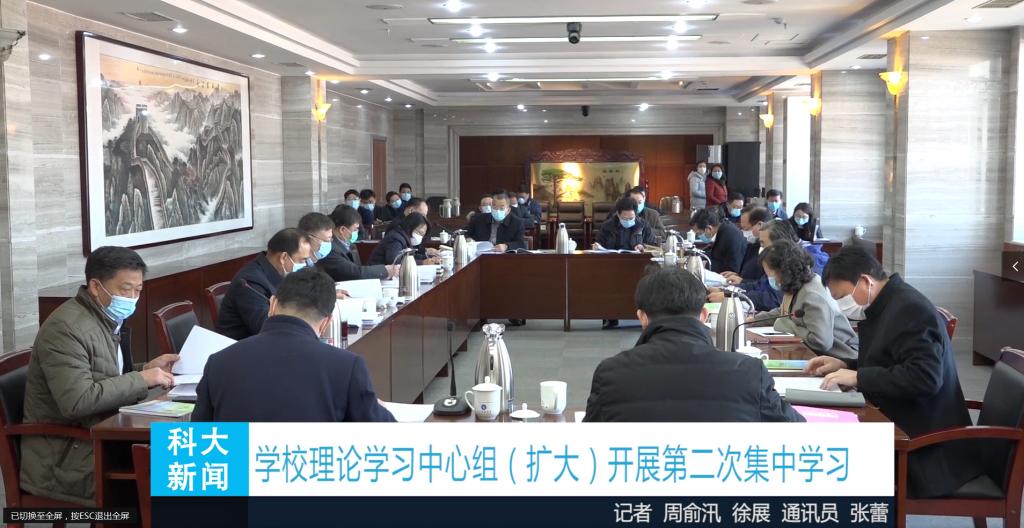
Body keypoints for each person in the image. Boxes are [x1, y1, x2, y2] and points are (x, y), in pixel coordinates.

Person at [809, 246, 979, 498]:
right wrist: (845, 365)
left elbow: (924, 378)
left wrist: (858, 377)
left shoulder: (910, 309)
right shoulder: (886, 304)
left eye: (842, 297)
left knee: (827, 462)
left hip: (924, 445)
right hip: (899, 422)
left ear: (865, 281)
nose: (842, 306)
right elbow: (889, 361)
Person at [21, 247, 178, 505]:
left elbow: (105, 376)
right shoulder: (66, 329)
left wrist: (146, 369)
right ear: (96, 286)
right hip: (69, 456)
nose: (133, 298)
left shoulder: (104, 319)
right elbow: (78, 400)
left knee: (211, 461)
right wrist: (142, 379)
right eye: (126, 289)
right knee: (192, 472)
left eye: (138, 290)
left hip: (104, 435)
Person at [583, 266, 804, 423]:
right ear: (704, 315)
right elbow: (797, 430)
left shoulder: (611, 373)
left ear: (642, 317)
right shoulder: (750, 372)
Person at [193, 269, 396, 423]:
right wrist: (374, 406)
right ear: (327, 322)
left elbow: (197, 442)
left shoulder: (219, 362)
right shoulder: (347, 366)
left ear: (273, 304)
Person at [752, 240, 858, 360]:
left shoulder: (812, 295)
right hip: (814, 354)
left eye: (770, 274)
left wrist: (786, 325)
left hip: (841, 358)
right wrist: (753, 320)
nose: (769, 278)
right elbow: (784, 312)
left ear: (784, 271)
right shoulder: (796, 285)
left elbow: (821, 342)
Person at [218, 228, 311, 340]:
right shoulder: (250, 283)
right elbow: (267, 327)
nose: (305, 265)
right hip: (244, 346)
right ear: (283, 257)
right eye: (302, 260)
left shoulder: (281, 273)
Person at [708, 217, 793, 309]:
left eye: (763, 243)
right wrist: (726, 290)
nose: (761, 247)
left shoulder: (789, 265)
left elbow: (772, 299)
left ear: (778, 243)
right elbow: (757, 285)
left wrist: (733, 297)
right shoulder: (774, 262)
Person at [316, 205, 395, 282]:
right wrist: (385, 270)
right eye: (355, 229)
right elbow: (355, 272)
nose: (357, 232)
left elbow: (357, 268)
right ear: (342, 230)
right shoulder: (329, 248)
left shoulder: (348, 243)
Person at [369, 212, 438, 266]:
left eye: (422, 235)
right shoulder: (396, 238)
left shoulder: (403, 237)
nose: (420, 237)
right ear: (410, 227)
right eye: (420, 233)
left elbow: (409, 257)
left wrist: (428, 259)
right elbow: (394, 261)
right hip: (377, 276)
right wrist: (422, 262)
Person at [690, 208, 745, 274]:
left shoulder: (730, 235)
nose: (698, 236)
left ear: (709, 228)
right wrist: (698, 257)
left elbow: (732, 268)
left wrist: (705, 264)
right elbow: (715, 254)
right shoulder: (722, 230)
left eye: (699, 233)